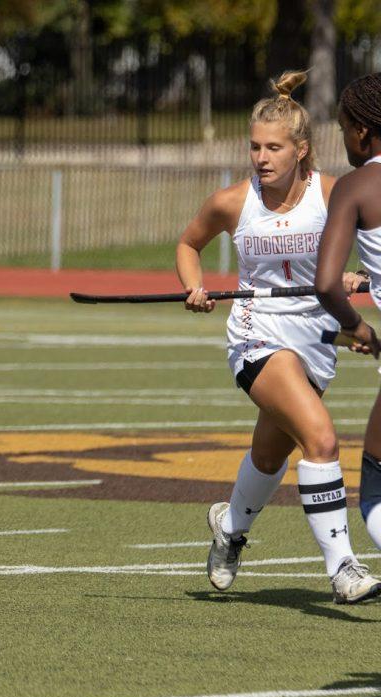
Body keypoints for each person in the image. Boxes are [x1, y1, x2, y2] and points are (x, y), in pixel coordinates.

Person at [177, 71, 381, 603]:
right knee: (321, 438)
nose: (261, 158)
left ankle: (230, 527)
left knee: (270, 455)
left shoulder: (333, 193)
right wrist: (194, 287)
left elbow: (363, 251)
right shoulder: (232, 202)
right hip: (257, 339)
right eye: (254, 147)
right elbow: (188, 244)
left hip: (315, 342)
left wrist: (356, 278)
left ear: (301, 150)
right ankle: (343, 570)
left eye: (274, 148)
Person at [313, 72, 381, 568]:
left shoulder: (356, 186)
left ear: (361, 130)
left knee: (376, 489)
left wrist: (355, 327)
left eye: (342, 128)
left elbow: (324, 285)